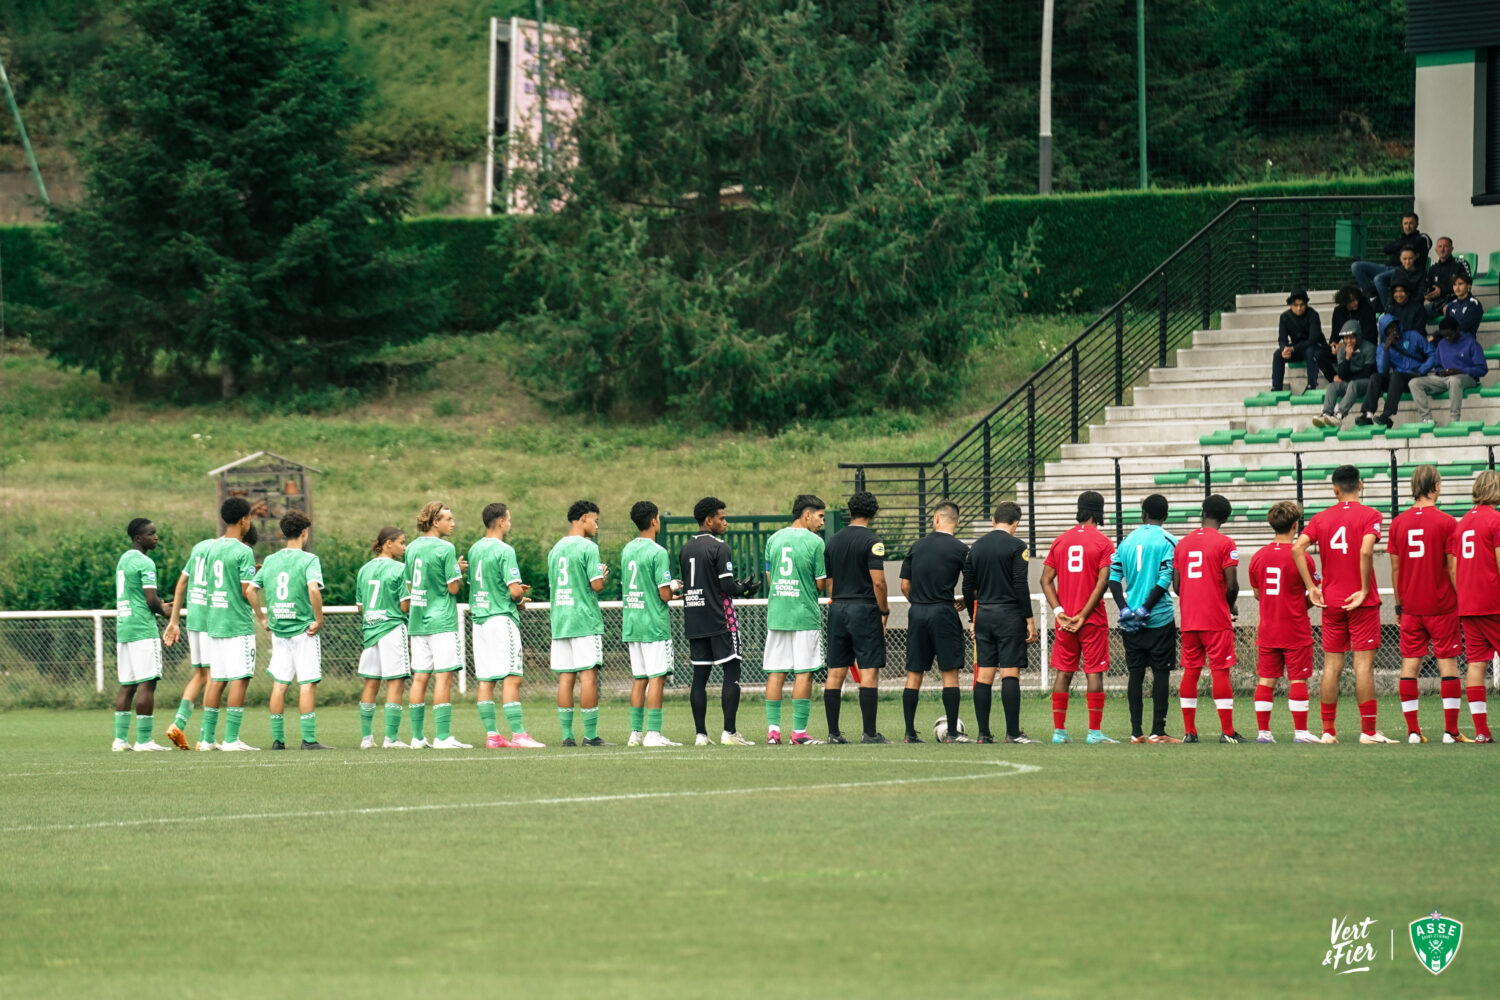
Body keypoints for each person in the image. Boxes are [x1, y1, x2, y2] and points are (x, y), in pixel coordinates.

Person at [1292, 465, 1394, 744]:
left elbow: (1296, 548)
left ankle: (1328, 731)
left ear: (1334, 489)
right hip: (1360, 602)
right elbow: (1365, 549)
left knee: (1331, 667)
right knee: (1363, 667)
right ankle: (1369, 732)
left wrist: (1312, 588)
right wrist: (1362, 589)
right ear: (1360, 485)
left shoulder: (1322, 518)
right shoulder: (1371, 515)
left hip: (1331, 601)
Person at [1388, 466, 1464, 743]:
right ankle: (1450, 731)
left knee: (1409, 666)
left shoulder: (1398, 523)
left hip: (1411, 607)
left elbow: (1395, 569)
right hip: (1442, 605)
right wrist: (1463, 600)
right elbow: (1453, 568)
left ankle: (1412, 731)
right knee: (1448, 665)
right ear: (1434, 486)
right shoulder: (1447, 522)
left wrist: (1398, 606)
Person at [249, 509, 332, 750]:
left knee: (280, 684)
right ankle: (308, 740)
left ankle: (278, 740)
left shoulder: (272, 560)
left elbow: (250, 591)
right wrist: (319, 619)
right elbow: (314, 590)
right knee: (306, 683)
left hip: (279, 630)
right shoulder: (308, 559)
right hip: (303, 630)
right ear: (304, 533)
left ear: (284, 533)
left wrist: (262, 619)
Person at [680, 496, 759, 746]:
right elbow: (725, 585)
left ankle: (701, 735)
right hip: (720, 618)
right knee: (732, 669)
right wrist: (744, 588)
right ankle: (729, 732)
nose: (725, 522)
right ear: (708, 520)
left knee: (699, 677)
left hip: (695, 619)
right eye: (721, 518)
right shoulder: (719, 546)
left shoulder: (686, 548)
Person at [1040, 491, 1115, 744]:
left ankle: (1059, 733)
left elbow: (1045, 580)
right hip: (1091, 620)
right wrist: (1083, 615)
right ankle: (1094, 733)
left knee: (1063, 673)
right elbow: (1103, 581)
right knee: (1094, 673)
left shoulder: (1061, 541)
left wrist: (1060, 612)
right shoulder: (1104, 542)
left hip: (1064, 621)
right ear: (1099, 512)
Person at [1172, 495, 1248, 743]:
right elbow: (1233, 584)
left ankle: (1190, 732)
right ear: (1225, 518)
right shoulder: (1225, 542)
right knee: (1220, 672)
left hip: (1190, 620)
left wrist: (1194, 598)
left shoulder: (1182, 544)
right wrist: (1229, 606)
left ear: (1202, 511)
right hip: (1215, 620)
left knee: (1190, 672)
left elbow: (1176, 586)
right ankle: (1226, 732)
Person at [468, 503, 543, 749]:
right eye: (509, 519)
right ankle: (519, 735)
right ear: (500, 521)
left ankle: (492, 735)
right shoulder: (505, 550)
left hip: (479, 620)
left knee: (486, 679)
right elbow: (512, 592)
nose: (510, 523)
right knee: (512, 676)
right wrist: (521, 599)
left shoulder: (474, 549)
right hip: (500, 618)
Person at [963, 501, 1039, 743]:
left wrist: (972, 618)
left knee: (984, 675)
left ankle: (984, 734)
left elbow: (967, 586)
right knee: (1009, 673)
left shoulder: (976, 547)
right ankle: (1013, 733)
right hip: (1008, 615)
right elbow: (1019, 584)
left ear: (994, 521)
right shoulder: (1018, 547)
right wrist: (1029, 619)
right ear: (1015, 523)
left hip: (984, 613)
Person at [1108, 494, 1180, 743]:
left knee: (1135, 674)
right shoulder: (1169, 540)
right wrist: (1147, 608)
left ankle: (1135, 731)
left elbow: (1114, 577)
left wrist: (1125, 608)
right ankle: (1157, 731)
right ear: (1166, 515)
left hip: (1131, 622)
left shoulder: (1127, 541)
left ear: (1143, 514)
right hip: (1159, 617)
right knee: (1161, 673)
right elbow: (1165, 577)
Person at [899, 501, 972, 744]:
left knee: (914, 673)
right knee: (949, 672)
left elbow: (904, 585)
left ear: (936, 519)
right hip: (943, 611)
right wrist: (964, 600)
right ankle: (952, 732)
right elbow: (973, 584)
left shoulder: (917, 546)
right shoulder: (961, 549)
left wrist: (920, 602)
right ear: (957, 522)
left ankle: (909, 733)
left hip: (918, 612)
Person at [1249, 502, 1321, 744]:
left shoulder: (1258, 557)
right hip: (1295, 628)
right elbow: (1314, 594)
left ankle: (1264, 733)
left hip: (1268, 629)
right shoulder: (1303, 559)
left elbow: (1258, 594)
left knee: (1266, 680)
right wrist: (1299, 604)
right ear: (1295, 525)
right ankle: (1300, 732)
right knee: (1298, 679)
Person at [195, 497, 264, 752]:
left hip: (215, 622)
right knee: (240, 678)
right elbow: (247, 591)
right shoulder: (243, 550)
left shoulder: (212, 547)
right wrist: (261, 615)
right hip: (237, 624)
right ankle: (232, 739)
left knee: (217, 679)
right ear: (244, 519)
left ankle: (206, 739)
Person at [822, 491, 890, 744]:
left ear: (849, 512)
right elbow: (879, 582)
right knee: (869, 669)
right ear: (873, 515)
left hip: (838, 607)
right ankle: (869, 733)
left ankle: (833, 733)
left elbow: (830, 582)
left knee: (836, 671)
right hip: (864, 609)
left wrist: (838, 600)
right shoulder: (873, 541)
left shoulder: (833, 541)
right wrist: (884, 611)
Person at [402, 501, 470, 749]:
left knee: (420, 677)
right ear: (434, 522)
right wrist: (458, 572)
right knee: (444, 677)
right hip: (441, 620)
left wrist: (451, 571)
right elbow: (452, 587)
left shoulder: (410, 549)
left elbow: (410, 586)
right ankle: (442, 737)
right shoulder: (445, 548)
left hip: (418, 621)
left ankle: (417, 737)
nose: (452, 523)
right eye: (448, 519)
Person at [762, 494, 829, 746]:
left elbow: (770, 579)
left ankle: (773, 732)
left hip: (778, 614)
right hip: (804, 616)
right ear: (807, 514)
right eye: (820, 516)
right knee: (804, 673)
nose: (821, 522)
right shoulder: (815, 543)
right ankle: (799, 734)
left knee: (776, 673)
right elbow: (821, 583)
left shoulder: (773, 539)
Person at [548, 500, 611, 747]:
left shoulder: (555, 549)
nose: (597, 525)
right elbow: (596, 585)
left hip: (560, 621)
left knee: (565, 678)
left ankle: (567, 736)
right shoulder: (588, 547)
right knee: (588, 678)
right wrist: (602, 576)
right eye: (595, 520)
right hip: (584, 620)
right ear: (583, 518)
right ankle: (590, 735)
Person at [620, 500, 681, 748]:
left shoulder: (627, 550)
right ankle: (653, 733)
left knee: (640, 678)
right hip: (654, 623)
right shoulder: (657, 552)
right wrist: (675, 588)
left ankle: (635, 733)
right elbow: (664, 595)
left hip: (632, 622)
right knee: (657, 678)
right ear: (654, 520)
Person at [111, 518, 173, 751]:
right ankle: (144, 741)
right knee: (147, 684)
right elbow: (150, 600)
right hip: (142, 629)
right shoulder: (145, 562)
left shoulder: (124, 559)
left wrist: (160, 606)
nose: (155, 537)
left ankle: (120, 740)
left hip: (124, 627)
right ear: (138, 538)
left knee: (127, 685)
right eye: (150, 533)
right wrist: (164, 610)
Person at [1448, 470, 1500, 743]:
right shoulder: (1496, 520)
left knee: (1476, 665)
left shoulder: (1462, 523)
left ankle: (1481, 731)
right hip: (1494, 602)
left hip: (1468, 605)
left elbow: (1454, 571)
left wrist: (1467, 595)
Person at [162, 529, 223, 749]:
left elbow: (181, 584)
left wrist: (174, 620)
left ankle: (178, 724)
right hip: (210, 619)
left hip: (194, 618)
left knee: (200, 675)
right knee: (215, 676)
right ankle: (206, 736)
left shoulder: (199, 547)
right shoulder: (223, 550)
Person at [355, 526, 413, 748]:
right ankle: (391, 738)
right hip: (391, 628)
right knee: (395, 683)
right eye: (402, 542)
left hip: (371, 630)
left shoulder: (364, 570)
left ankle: (366, 738)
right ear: (388, 543)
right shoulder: (400, 569)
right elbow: (404, 606)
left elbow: (360, 607)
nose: (404, 547)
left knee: (371, 683)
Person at [1355, 312, 1433, 428]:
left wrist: (1422, 370)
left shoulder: (1413, 336)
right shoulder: (1382, 347)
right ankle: (1368, 414)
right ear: (1384, 331)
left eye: (1394, 325)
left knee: (1396, 376)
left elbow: (1433, 353)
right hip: (1397, 380)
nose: (1393, 329)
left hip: (1414, 375)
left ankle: (1387, 415)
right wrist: (1386, 349)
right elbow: (1382, 371)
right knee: (1376, 377)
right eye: (1389, 328)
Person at [1410, 317, 1487, 425]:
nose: (1447, 338)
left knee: (1454, 380)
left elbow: (1482, 369)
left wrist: (1460, 371)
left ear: (1457, 330)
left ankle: (1454, 419)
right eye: (1444, 335)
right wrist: (1440, 371)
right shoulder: (1442, 344)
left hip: (1467, 378)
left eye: (1450, 335)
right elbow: (1438, 366)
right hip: (1445, 378)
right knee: (1414, 383)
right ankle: (1427, 419)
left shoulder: (1471, 343)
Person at [1351, 211, 1430, 310]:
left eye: (1411, 223)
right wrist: (1405, 243)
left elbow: (1413, 246)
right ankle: (1372, 295)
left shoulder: (1421, 238)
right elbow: (1386, 249)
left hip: (1402, 270)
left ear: (1417, 224)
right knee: (1356, 266)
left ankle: (1388, 310)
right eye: (1405, 223)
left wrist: (1399, 245)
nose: (1408, 226)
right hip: (1386, 268)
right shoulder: (1402, 238)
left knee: (1378, 279)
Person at [1311, 323, 1375, 428]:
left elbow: (1367, 372)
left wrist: (1349, 379)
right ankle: (1326, 413)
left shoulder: (1369, 348)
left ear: (1357, 336)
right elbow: (1342, 374)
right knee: (1333, 386)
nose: (1349, 341)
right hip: (1349, 381)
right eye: (1346, 338)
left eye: (1352, 338)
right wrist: (1347, 358)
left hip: (1366, 382)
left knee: (1353, 384)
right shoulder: (1342, 350)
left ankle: (1339, 415)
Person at [1272, 290, 1332, 392]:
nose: (1299, 308)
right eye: (1296, 305)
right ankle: (1276, 387)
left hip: (1314, 347)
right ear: (1291, 305)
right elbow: (1282, 338)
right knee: (1278, 354)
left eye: (1302, 305)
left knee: (1310, 351)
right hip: (1297, 348)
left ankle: (1311, 385)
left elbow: (1313, 339)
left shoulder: (1313, 315)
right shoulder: (1285, 317)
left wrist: (1293, 348)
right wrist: (1284, 349)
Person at [1424, 236, 1473, 315]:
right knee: (1418, 313)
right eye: (1440, 246)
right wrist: (1429, 295)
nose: (1442, 249)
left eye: (1445, 246)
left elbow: (1467, 287)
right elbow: (1429, 288)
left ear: (1452, 249)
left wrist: (1441, 291)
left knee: (1448, 309)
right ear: (1436, 250)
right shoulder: (1433, 269)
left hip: (1458, 301)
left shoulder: (1461, 264)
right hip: (1438, 303)